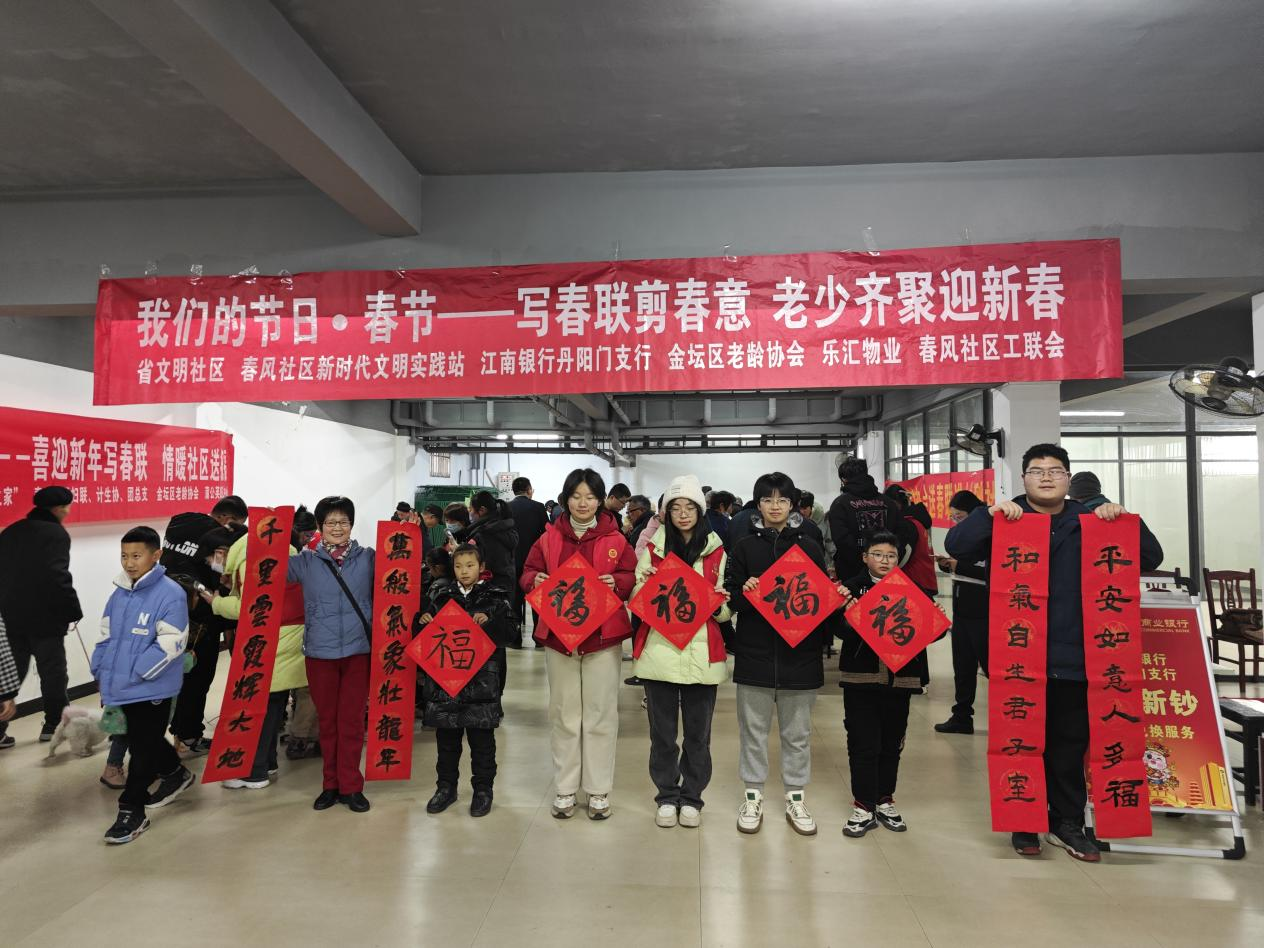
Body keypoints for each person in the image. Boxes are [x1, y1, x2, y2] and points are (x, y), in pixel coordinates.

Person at [946, 443, 1163, 861]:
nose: (1046, 477)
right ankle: (1024, 821)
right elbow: (958, 546)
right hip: (1018, 658)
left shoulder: (1090, 521)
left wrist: (1122, 520)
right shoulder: (1008, 519)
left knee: (1068, 744)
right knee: (1020, 741)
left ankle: (1067, 823)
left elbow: (1151, 557)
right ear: (1023, 478)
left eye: (1055, 471)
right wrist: (988, 515)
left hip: (1076, 656)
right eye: (1037, 471)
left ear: (1068, 478)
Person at [521, 468, 637, 821]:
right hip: (560, 638)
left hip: (602, 637)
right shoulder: (548, 538)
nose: (582, 503)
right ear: (566, 499)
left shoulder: (617, 539)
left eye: (590, 497)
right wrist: (534, 579)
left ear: (600, 500)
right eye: (576, 496)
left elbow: (630, 577)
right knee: (564, 713)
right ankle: (566, 787)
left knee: (601, 714)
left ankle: (599, 789)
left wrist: (616, 583)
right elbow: (527, 572)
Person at [725, 472, 836, 837]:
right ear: (757, 505)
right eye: (768, 500)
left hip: (799, 654)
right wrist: (745, 591)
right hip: (754, 651)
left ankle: (795, 797)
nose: (775, 506)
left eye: (782, 500)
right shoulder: (743, 546)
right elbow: (729, 598)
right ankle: (753, 796)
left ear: (793, 506)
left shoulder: (810, 545)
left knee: (797, 734)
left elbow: (820, 599)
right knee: (753, 732)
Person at [632, 475, 731, 829]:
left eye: (690, 507)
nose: (684, 514)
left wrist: (719, 605)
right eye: (676, 508)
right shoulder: (653, 550)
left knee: (698, 736)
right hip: (659, 652)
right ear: (666, 513)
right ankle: (666, 795)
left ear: (700, 511)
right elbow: (636, 599)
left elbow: (725, 608)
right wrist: (646, 590)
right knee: (662, 735)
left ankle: (692, 797)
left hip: (702, 654)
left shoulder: (717, 551)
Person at [91, 526, 193, 844]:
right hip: (121, 684)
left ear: (156, 555)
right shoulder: (119, 593)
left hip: (152, 686)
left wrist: (135, 674)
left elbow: (171, 643)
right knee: (141, 739)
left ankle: (131, 810)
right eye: (124, 556)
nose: (129, 563)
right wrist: (102, 670)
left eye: (136, 556)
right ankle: (175, 773)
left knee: (142, 748)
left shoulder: (170, 593)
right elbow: (106, 636)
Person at [287, 496, 375, 813]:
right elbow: (265, 570)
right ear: (320, 527)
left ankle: (351, 786)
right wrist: (272, 531)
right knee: (327, 722)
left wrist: (410, 534)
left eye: (343, 522)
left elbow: (401, 576)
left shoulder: (369, 559)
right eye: (330, 522)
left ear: (351, 525)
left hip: (357, 651)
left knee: (351, 721)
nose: (337, 528)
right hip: (320, 653)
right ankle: (330, 785)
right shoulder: (304, 562)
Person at [838, 531, 929, 838]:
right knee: (862, 742)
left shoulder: (911, 588)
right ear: (865, 557)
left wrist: (938, 621)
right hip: (860, 677)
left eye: (891, 556)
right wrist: (848, 614)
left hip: (901, 678)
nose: (885, 561)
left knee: (892, 743)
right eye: (877, 554)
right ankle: (863, 805)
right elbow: (837, 630)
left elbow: (930, 630)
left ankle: (884, 799)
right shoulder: (850, 588)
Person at [419, 543, 513, 817]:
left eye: (470, 565)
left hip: (482, 683)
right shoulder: (440, 596)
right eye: (459, 566)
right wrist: (422, 620)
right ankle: (445, 788)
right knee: (446, 741)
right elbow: (424, 638)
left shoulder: (496, 597)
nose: (464, 571)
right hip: (446, 684)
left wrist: (490, 620)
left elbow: (509, 633)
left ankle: (483, 790)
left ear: (482, 567)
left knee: (482, 742)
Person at [212, 525, 308, 790]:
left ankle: (254, 772)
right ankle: (268, 762)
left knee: (260, 708)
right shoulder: (284, 550)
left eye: (214, 557)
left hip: (271, 640)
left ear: (224, 550)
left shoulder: (250, 558)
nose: (214, 563)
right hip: (291, 636)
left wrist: (215, 602)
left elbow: (251, 606)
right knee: (274, 705)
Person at [0, 484, 83, 746]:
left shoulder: (12, 531)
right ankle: (53, 725)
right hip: (45, 618)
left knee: (11, 673)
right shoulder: (56, 534)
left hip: (12, 616)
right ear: (58, 509)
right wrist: (73, 609)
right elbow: (57, 575)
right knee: (53, 673)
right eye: (67, 507)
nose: (68, 512)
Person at [166, 521, 243, 756]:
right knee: (194, 685)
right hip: (200, 633)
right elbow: (238, 607)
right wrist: (217, 603)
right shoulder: (202, 563)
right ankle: (187, 735)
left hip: (194, 631)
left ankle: (185, 733)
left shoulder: (179, 544)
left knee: (191, 685)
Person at [934, 490, 990, 735]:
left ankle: (1007, 716)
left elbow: (993, 573)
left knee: (990, 666)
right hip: (962, 610)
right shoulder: (962, 539)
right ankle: (962, 716)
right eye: (954, 517)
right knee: (963, 666)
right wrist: (949, 566)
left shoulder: (990, 535)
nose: (957, 522)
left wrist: (960, 566)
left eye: (960, 517)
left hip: (984, 611)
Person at [828, 457, 913, 581]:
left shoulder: (840, 504)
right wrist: (887, 559)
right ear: (866, 473)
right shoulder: (888, 503)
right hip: (885, 571)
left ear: (844, 479)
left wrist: (864, 561)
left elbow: (842, 541)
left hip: (852, 574)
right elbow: (902, 534)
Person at [455, 491, 519, 595]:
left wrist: (459, 552)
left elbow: (478, 565)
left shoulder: (484, 533)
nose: (469, 512)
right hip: (506, 584)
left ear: (482, 510)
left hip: (488, 589)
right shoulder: (504, 527)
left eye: (471, 509)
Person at [508, 477, 549, 638]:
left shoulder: (506, 508)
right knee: (537, 598)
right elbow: (547, 533)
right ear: (529, 490)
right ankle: (538, 637)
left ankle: (515, 637)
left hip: (513, 560)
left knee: (515, 599)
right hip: (536, 562)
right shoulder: (538, 507)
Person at [885, 485, 938, 598]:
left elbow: (905, 553)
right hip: (925, 579)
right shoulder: (918, 520)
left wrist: (887, 570)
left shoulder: (907, 524)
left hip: (913, 580)